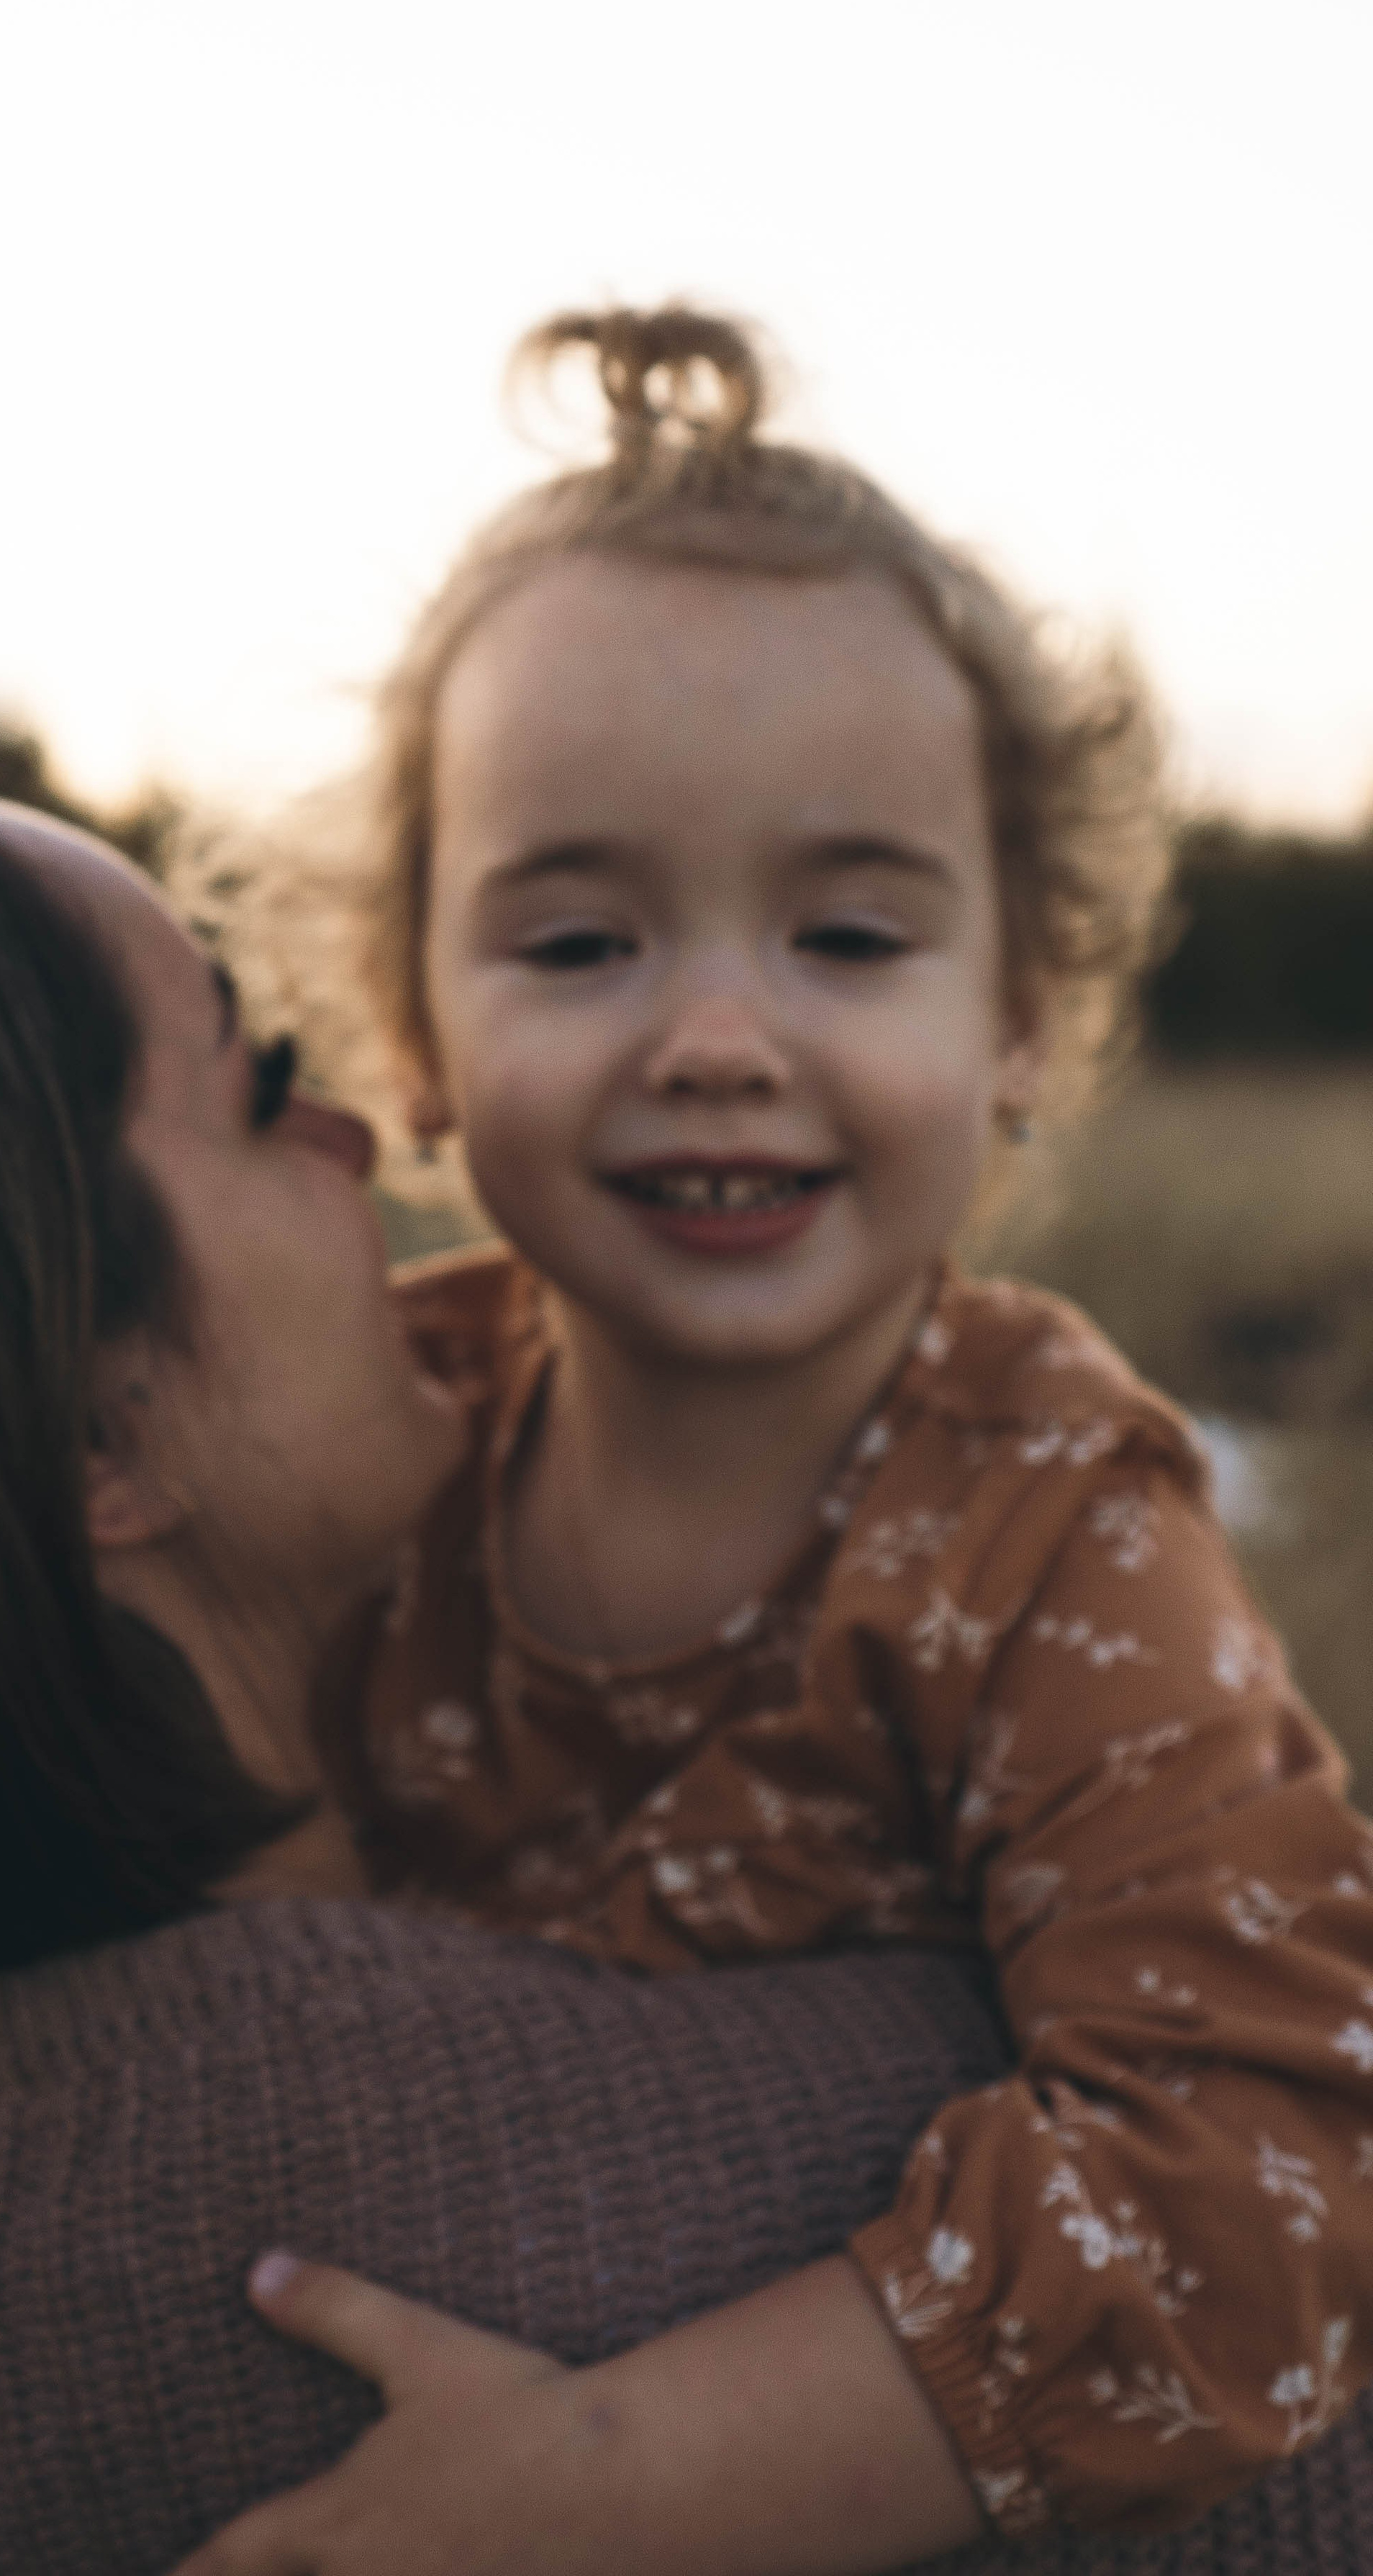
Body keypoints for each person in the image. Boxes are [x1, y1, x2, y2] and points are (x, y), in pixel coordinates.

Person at [0, 737, 1373, 2574]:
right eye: (255, 1086)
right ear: (93, 1445)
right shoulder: (898, 2167)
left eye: (847, 933)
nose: (346, 1125)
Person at [232, 303, 1373, 2555]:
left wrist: (619, 2487)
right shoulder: (369, 1431)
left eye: (848, 934)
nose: (722, 1035)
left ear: (1021, 1010)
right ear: (415, 1027)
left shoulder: (1047, 1514)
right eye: (579, 946)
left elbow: (1275, 2158)